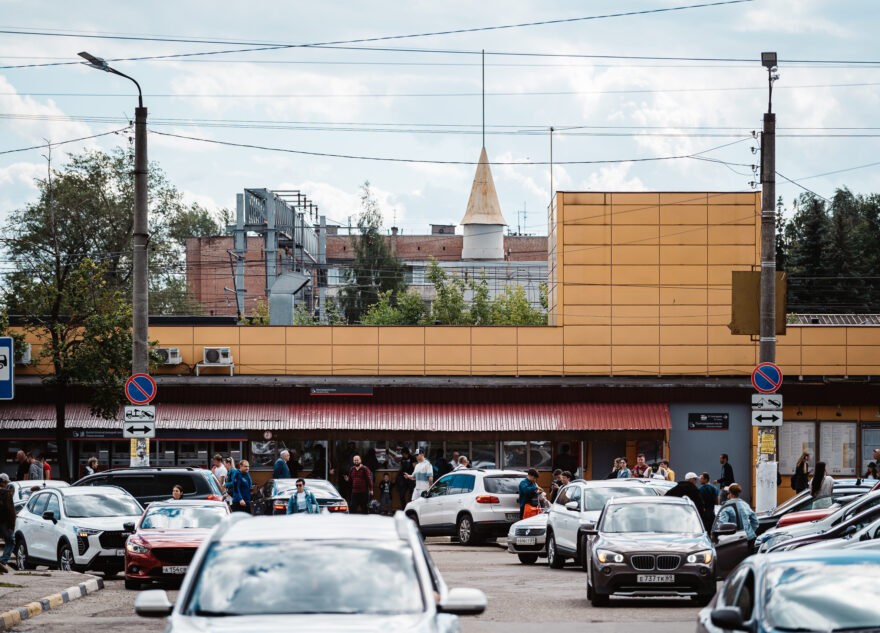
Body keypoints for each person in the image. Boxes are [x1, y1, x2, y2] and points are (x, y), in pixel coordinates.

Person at [717, 483, 759, 549]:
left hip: (734, 540)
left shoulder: (726, 506)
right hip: (750, 538)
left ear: (730, 493)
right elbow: (755, 522)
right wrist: (750, 531)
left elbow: (722, 525)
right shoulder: (745, 504)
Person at [0, 475, 14, 574]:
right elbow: (10, 510)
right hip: (3, 522)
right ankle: (2, 561)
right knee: (10, 541)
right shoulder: (6, 493)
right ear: (3, 482)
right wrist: (12, 525)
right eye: (6, 483)